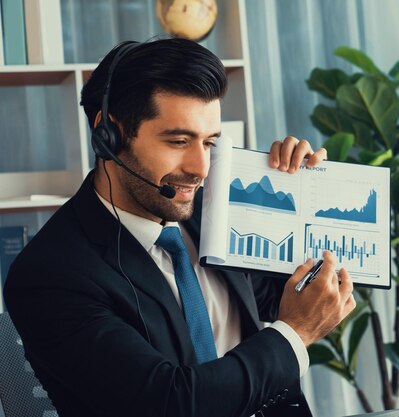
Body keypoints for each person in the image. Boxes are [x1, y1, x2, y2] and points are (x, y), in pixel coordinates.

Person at [4, 38, 355, 417]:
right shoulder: (50, 273)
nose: (201, 168)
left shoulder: (210, 210)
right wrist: (295, 333)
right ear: (109, 134)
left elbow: (281, 300)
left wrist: (305, 202)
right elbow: (170, 403)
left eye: (209, 143)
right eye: (178, 140)